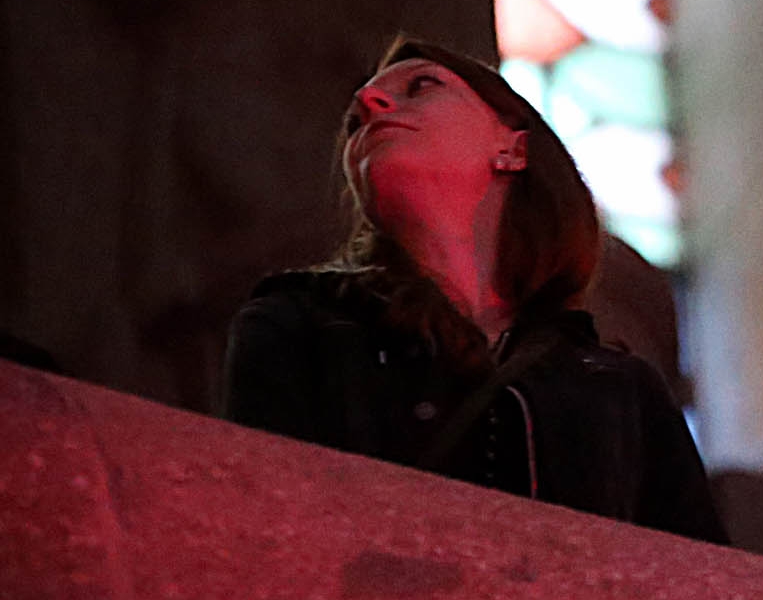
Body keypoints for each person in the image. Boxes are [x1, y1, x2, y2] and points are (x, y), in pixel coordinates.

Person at [221, 37, 727, 543]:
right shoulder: (298, 324)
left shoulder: (620, 390)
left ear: (513, 147)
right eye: (354, 122)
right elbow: (266, 533)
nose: (369, 104)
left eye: (421, 86)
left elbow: (702, 577)